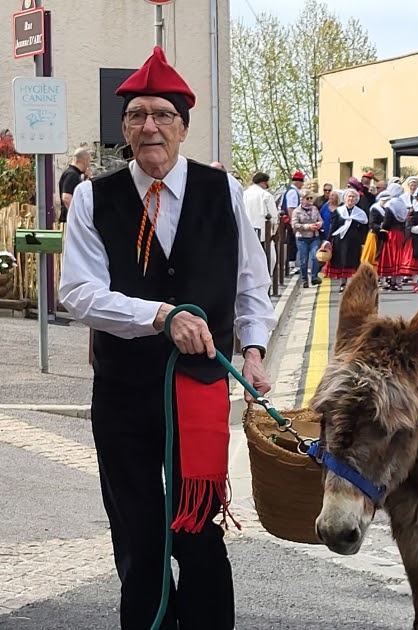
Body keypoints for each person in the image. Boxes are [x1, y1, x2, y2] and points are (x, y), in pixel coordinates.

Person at [58, 46, 275, 630]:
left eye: (161, 114)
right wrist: (159, 315)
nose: (148, 126)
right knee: (138, 533)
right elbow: (77, 292)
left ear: (182, 125)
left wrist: (252, 351)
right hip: (125, 392)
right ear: (124, 127)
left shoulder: (221, 190)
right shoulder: (91, 198)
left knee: (198, 530)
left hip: (199, 391)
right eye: (136, 116)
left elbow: (253, 285)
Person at [323, 188, 369, 292]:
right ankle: (343, 283)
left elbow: (364, 230)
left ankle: (352, 284)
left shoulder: (360, 213)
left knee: (353, 262)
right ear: (345, 198)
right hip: (341, 241)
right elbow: (333, 226)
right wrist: (328, 240)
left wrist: (363, 242)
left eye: (353, 197)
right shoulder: (339, 211)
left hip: (354, 242)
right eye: (349, 196)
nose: (351, 199)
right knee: (342, 261)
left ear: (356, 199)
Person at [377, 183, 408, 290]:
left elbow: (387, 220)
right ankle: (397, 282)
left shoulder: (390, 204)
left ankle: (393, 282)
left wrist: (383, 227)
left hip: (391, 233)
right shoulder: (402, 203)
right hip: (400, 233)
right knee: (398, 256)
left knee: (391, 257)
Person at [292, 189, 323, 288]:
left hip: (314, 237)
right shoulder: (297, 211)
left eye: (311, 198)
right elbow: (295, 225)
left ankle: (314, 276)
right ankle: (304, 279)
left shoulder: (314, 209)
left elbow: (320, 220)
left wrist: (319, 224)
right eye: (307, 198)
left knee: (315, 257)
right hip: (302, 238)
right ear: (302, 199)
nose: (310, 200)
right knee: (303, 260)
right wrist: (308, 227)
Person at [243, 171, 278, 243]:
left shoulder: (244, 194)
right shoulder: (266, 195)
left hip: (247, 231)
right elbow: (274, 215)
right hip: (263, 232)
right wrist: (274, 231)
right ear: (263, 182)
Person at [280, 171, 304, 273]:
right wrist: (294, 223)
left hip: (288, 221)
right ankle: (291, 265)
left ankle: (291, 264)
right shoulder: (293, 193)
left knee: (292, 243)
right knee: (292, 243)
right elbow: (291, 209)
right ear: (298, 182)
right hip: (290, 221)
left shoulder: (289, 191)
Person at [58, 148, 91, 223]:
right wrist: (77, 215)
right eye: (88, 161)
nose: (88, 165)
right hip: (70, 221)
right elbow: (66, 197)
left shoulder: (74, 174)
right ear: (84, 161)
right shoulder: (72, 174)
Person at [361, 189, 390, 268]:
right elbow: (372, 224)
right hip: (375, 235)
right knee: (372, 257)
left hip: (384, 236)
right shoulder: (375, 209)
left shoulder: (387, 209)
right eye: (385, 200)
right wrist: (382, 226)